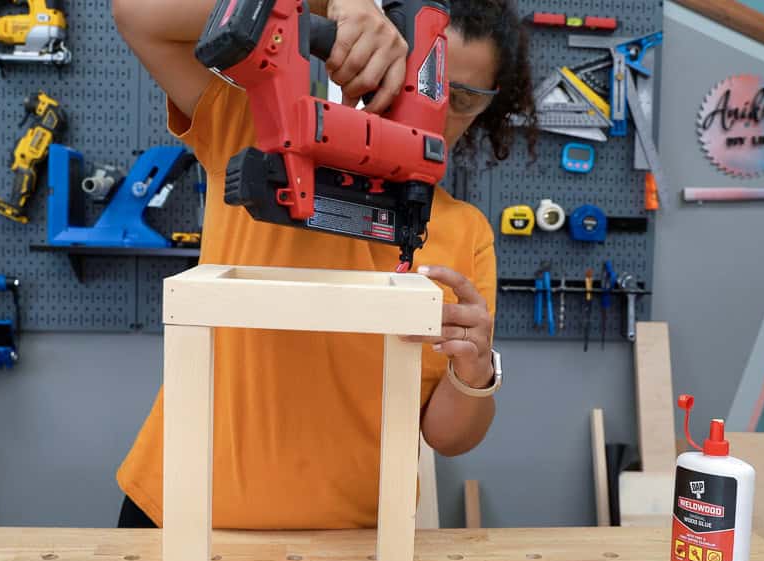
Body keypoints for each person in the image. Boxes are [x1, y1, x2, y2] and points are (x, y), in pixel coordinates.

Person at [111, 0, 536, 529]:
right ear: (384, 56)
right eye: (424, 80)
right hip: (181, 515)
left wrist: (473, 372)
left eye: (466, 97)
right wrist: (334, 4)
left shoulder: (464, 231)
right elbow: (137, 13)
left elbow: (448, 437)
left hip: (358, 544)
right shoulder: (258, 129)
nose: (441, 109)